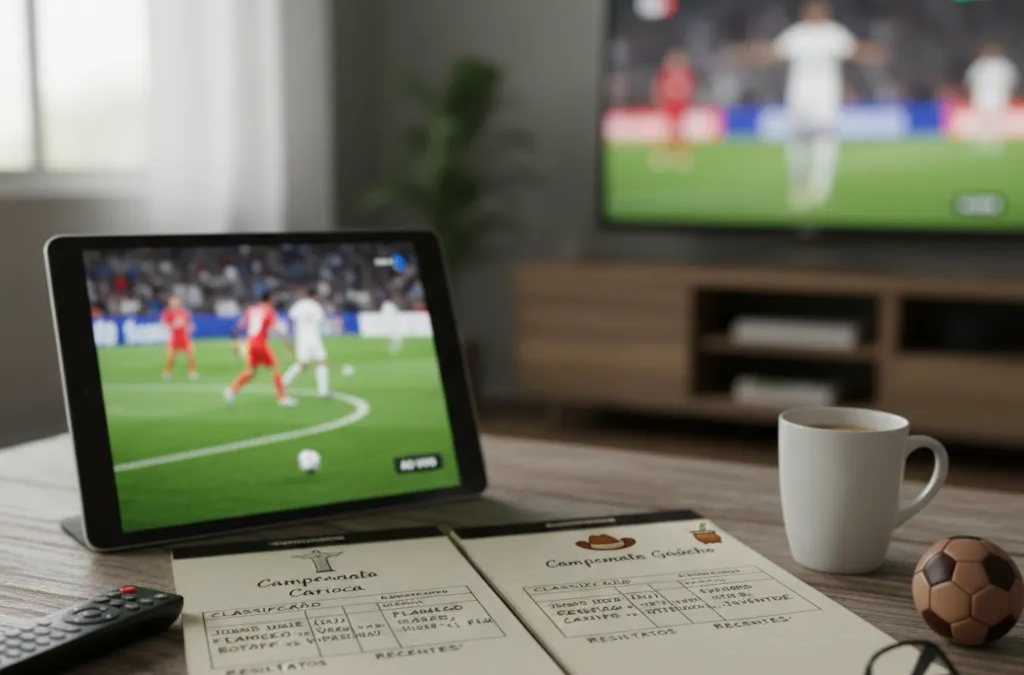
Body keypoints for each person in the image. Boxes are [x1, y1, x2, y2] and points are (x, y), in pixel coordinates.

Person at [739, 0, 889, 210]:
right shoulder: (797, 33)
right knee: (797, 144)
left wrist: (877, 52)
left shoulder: (833, 33)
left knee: (824, 143)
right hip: (798, 99)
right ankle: (797, 187)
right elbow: (773, 52)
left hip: (825, 100)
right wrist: (751, 53)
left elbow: (855, 50)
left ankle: (820, 190)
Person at [224, 292, 297, 408]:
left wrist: (235, 345)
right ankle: (282, 398)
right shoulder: (268, 311)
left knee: (251, 372)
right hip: (260, 344)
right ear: (269, 300)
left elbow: (239, 327)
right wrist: (287, 344)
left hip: (250, 344)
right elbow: (278, 329)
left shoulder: (251, 310)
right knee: (275, 368)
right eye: (273, 300)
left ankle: (232, 390)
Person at [965, 42, 1020, 156]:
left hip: (999, 97)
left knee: (997, 120)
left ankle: (996, 142)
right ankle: (984, 142)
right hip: (982, 97)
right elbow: (969, 81)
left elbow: (1012, 81)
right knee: (984, 120)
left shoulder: (1004, 65)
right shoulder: (979, 65)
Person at [650, 46, 697, 172]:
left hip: (680, 105)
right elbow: (657, 87)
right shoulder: (665, 73)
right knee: (667, 133)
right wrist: (658, 100)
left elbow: (690, 89)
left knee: (679, 133)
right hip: (669, 105)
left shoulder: (687, 73)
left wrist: (689, 101)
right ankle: (661, 157)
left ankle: (681, 158)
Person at [282, 288, 331, 398]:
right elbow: (321, 321)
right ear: (315, 295)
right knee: (322, 361)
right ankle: (323, 392)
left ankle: (283, 381)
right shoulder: (316, 306)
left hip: (301, 338)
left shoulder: (299, 304)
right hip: (314, 338)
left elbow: (290, 318)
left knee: (303, 364)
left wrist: (289, 333)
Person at [160, 296, 198, 381]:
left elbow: (190, 324)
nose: (174, 304)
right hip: (173, 339)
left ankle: (192, 373)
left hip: (184, 338)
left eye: (176, 302)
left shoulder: (184, 312)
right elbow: (163, 324)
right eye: (173, 302)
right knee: (170, 357)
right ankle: (167, 373)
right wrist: (173, 325)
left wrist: (191, 328)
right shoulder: (167, 313)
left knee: (191, 355)